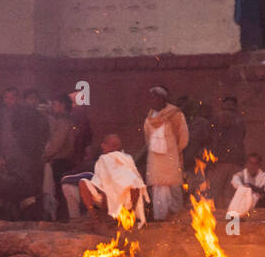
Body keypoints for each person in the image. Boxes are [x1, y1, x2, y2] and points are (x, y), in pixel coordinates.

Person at [79, 134, 148, 226]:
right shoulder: (103, 159)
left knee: (135, 183)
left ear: (115, 146)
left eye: (105, 143)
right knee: (83, 182)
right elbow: (99, 181)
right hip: (104, 198)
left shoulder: (125, 159)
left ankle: (130, 215)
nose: (102, 146)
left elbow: (135, 182)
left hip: (124, 200)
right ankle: (94, 218)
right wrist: (105, 191)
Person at [142, 86, 189, 221]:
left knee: (174, 186)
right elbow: (147, 140)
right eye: (151, 98)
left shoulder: (175, 114)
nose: (152, 101)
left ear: (162, 99)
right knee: (158, 188)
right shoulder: (149, 118)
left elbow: (183, 137)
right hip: (155, 162)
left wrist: (174, 153)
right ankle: (161, 219)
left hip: (171, 159)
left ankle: (177, 216)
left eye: (155, 97)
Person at [42, 94, 79, 221]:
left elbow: (57, 141)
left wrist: (46, 155)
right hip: (61, 159)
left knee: (60, 191)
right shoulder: (61, 120)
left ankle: (63, 219)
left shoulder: (64, 121)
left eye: (55, 104)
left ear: (63, 105)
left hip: (61, 160)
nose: (53, 107)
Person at [207, 95, 246, 206]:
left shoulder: (218, 118)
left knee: (213, 193)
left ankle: (213, 220)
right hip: (237, 161)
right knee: (231, 195)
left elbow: (214, 139)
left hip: (220, 160)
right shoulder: (240, 120)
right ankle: (231, 221)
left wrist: (211, 159)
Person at [225, 152, 265, 218]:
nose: (252, 166)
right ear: (247, 164)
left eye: (255, 164)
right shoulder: (241, 175)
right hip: (242, 204)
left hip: (258, 205)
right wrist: (248, 190)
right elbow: (236, 182)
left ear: (259, 165)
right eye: (250, 163)